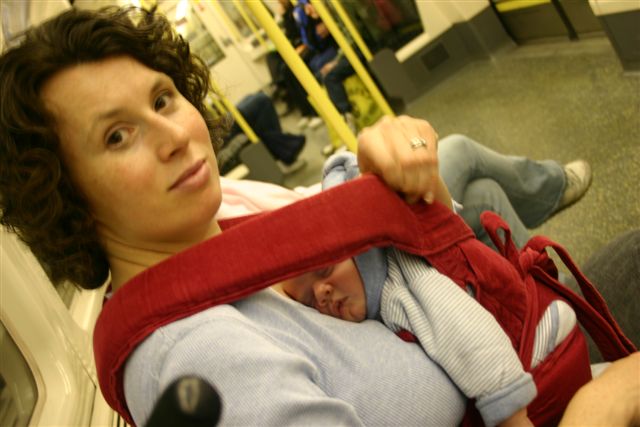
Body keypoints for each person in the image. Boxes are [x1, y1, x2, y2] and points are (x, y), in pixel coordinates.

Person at [0, 6, 629, 427]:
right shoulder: (197, 362)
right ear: (65, 195)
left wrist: (406, 177)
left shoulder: (223, 253)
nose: (173, 135)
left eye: (163, 98)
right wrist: (596, 408)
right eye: (116, 137)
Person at [275, 152, 580, 426]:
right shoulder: (374, 292)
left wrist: (510, 413)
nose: (321, 294)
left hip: (525, 354)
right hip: (517, 331)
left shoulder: (403, 285)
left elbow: (469, 335)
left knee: (471, 166)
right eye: (307, 299)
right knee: (484, 189)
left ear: (358, 246)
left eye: (325, 270)